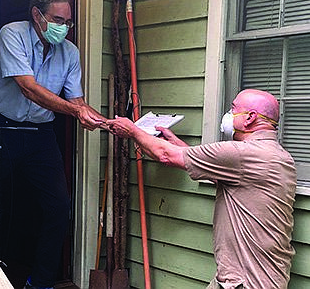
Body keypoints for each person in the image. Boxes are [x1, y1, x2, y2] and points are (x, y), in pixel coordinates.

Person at [0, 0, 106, 289]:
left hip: (39, 135)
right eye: (58, 19)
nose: (64, 27)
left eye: (68, 22)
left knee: (58, 207)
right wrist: (76, 113)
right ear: (37, 16)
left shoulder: (70, 52)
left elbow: (76, 99)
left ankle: (41, 283)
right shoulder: (12, 34)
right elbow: (28, 88)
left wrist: (102, 119)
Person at [106, 89, 296, 289]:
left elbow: (165, 155)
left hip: (247, 283)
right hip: (259, 278)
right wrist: (176, 144)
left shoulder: (241, 154)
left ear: (250, 118)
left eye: (233, 109)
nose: (229, 115)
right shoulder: (279, 157)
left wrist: (132, 131)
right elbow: (221, 174)